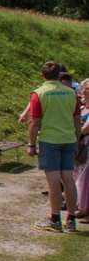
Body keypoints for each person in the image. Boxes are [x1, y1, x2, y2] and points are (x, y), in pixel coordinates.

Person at [28, 60, 80, 233]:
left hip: (50, 140)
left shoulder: (39, 93)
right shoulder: (71, 92)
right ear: (59, 74)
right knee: (68, 178)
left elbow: (34, 122)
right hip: (68, 139)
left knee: (53, 180)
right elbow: (77, 119)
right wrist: (76, 140)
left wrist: (31, 144)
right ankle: (71, 219)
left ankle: (55, 218)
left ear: (43, 74)